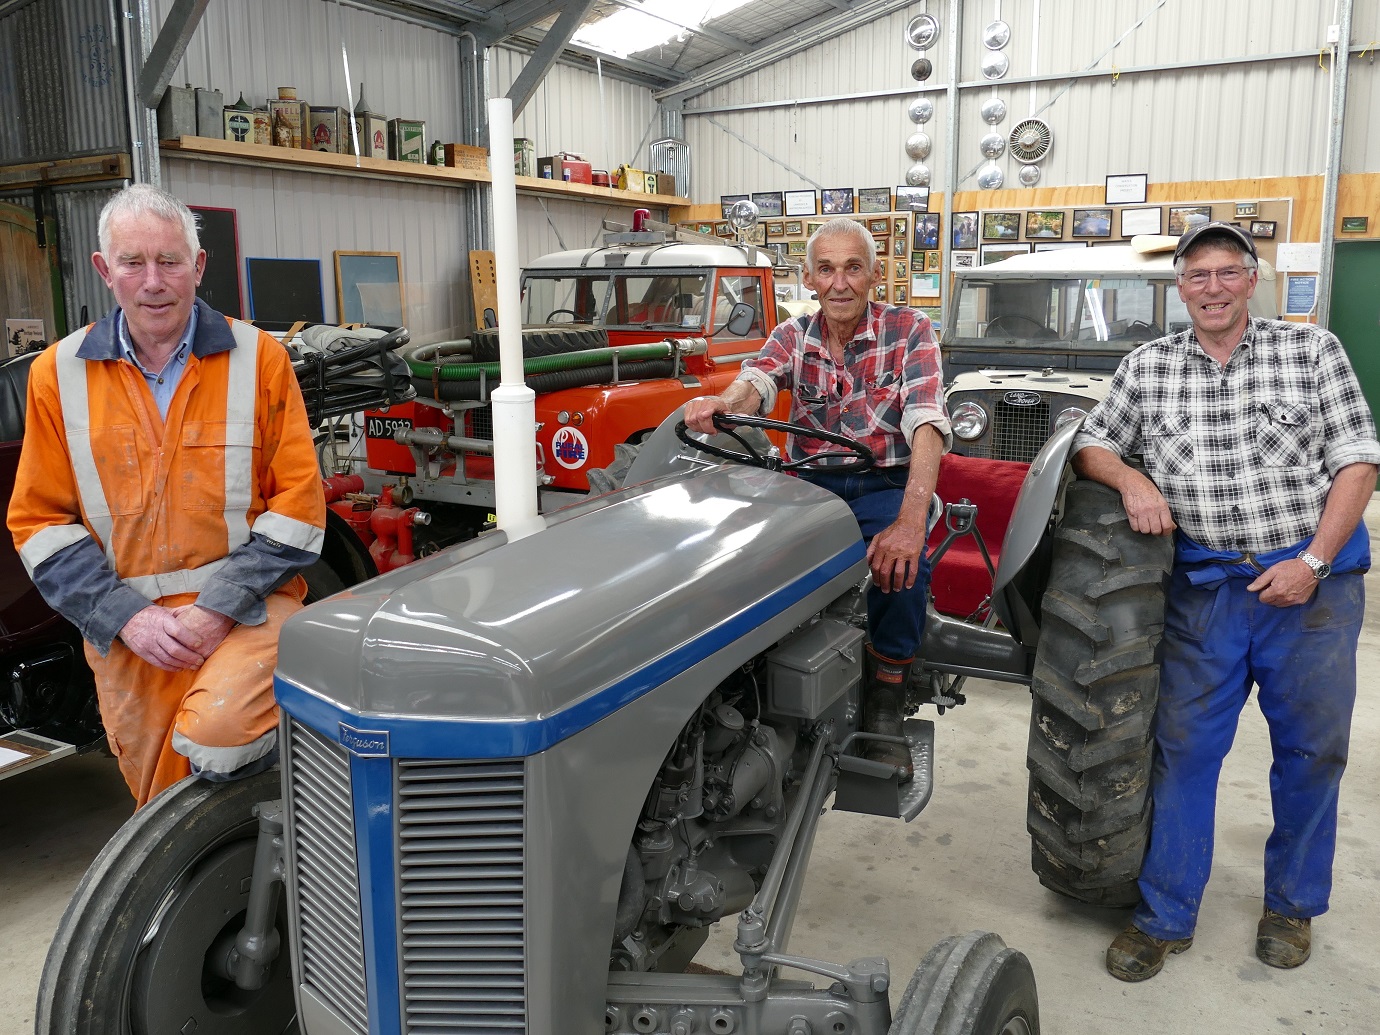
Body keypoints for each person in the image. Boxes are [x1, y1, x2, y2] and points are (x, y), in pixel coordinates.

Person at [1070, 221, 1380, 980]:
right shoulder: (1149, 366)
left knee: (1310, 755)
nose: (1211, 288)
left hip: (1309, 593)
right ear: (1181, 289)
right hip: (1207, 590)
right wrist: (1131, 477)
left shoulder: (1311, 352)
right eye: (1196, 276)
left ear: (1251, 280)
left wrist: (1312, 559)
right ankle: (1166, 913)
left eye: (1225, 273)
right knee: (1183, 755)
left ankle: (1292, 905)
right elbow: (1092, 440)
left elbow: (1359, 461)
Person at [8, 184, 326, 808]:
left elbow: (298, 507)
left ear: (199, 266)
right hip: (132, 639)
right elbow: (40, 521)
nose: (154, 281)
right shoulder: (57, 374)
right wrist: (127, 617)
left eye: (170, 261)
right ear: (106, 271)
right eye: (133, 263)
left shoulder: (259, 359)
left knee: (220, 735)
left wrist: (217, 610)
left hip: (249, 615)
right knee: (160, 809)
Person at [685, 217, 950, 780]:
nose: (840, 282)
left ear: (875, 275)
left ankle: (886, 694)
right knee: (740, 556)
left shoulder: (910, 330)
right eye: (826, 269)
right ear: (808, 278)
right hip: (810, 485)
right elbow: (754, 382)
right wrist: (721, 403)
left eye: (853, 267)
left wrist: (909, 520)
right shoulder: (793, 335)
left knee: (902, 569)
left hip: (884, 483)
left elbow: (927, 423)